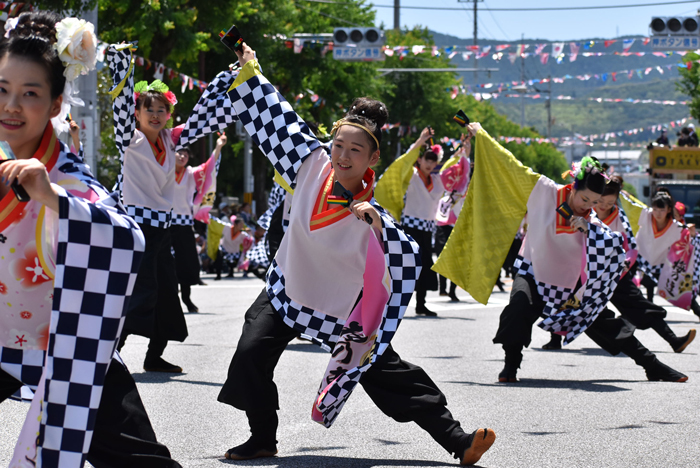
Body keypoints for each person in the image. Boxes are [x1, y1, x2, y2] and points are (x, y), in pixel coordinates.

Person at [217, 42, 496, 466]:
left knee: (388, 373)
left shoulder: (372, 211)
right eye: (339, 145)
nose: (343, 156)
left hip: (341, 311)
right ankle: (262, 437)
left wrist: (380, 225)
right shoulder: (309, 162)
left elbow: (410, 256)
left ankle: (458, 440)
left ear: (372, 158)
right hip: (288, 289)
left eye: (355, 151)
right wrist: (250, 68)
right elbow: (275, 114)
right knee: (251, 352)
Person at [0, 11, 181, 466]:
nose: (11, 107)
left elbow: (125, 238)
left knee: (140, 461)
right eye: (2, 90)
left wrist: (53, 197)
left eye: (30, 94)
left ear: (57, 104)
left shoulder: (66, 176)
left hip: (65, 344)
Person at [434, 126, 687, 383]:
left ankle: (651, 365)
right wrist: (482, 137)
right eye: (585, 199)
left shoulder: (592, 221)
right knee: (518, 306)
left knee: (600, 318)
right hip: (533, 270)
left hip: (570, 283)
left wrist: (589, 229)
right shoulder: (543, 190)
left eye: (595, 202)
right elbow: (509, 165)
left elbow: (614, 245)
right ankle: (511, 365)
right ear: (573, 186)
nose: (589, 206)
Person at [108, 42, 237, 372]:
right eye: (148, 109)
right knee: (140, 292)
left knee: (166, 293)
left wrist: (232, 80)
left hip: (162, 229)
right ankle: (108, 355)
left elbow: (205, 117)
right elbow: (119, 102)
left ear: (168, 115)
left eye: (161, 110)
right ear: (137, 114)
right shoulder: (129, 137)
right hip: (135, 228)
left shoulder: (172, 139)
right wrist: (122, 60)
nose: (155, 115)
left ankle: (153, 357)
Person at [544, 175, 696, 352]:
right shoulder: (584, 212)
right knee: (563, 299)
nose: (603, 207)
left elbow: (631, 247)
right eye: (600, 201)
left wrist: (624, 265)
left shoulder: (619, 217)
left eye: (610, 203)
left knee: (639, 304)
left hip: (613, 270)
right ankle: (554, 338)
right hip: (581, 269)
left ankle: (673, 341)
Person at [375, 129, 469, 316]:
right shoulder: (411, 176)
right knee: (402, 268)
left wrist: (463, 152)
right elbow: (403, 163)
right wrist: (419, 142)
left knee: (425, 267)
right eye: (427, 159)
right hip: (409, 228)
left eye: (433, 160)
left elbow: (455, 170)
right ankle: (389, 306)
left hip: (427, 230)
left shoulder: (437, 180)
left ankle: (420, 304)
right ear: (420, 159)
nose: (430, 163)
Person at [620, 190, 700, 321]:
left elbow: (690, 242)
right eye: (655, 209)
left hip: (661, 263)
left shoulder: (677, 227)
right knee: (627, 287)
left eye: (661, 210)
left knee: (679, 288)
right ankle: (632, 314)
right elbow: (631, 206)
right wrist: (623, 193)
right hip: (640, 258)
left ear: (669, 209)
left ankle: (698, 311)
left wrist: (691, 234)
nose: (657, 213)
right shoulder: (645, 214)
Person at [171, 133, 227, 312]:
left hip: (185, 223)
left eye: (186, 155)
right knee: (166, 263)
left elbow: (209, 167)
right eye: (179, 153)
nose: (182, 156)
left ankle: (186, 298)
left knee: (186, 263)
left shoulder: (191, 174)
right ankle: (169, 300)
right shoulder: (163, 171)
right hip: (165, 224)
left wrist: (218, 146)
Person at [435, 137, 471, 302]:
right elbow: (447, 167)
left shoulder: (463, 188)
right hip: (443, 224)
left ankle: (451, 290)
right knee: (443, 256)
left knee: (456, 259)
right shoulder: (444, 187)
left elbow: (465, 167)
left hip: (457, 225)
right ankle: (443, 287)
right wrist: (460, 153)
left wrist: (466, 150)